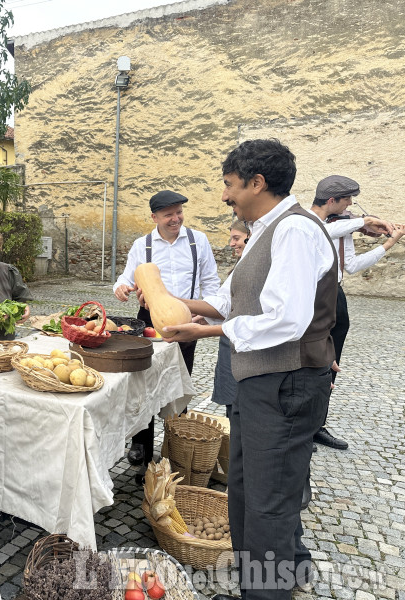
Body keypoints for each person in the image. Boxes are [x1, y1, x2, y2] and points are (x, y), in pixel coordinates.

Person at [162, 139, 337, 599]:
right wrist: (177, 306)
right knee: (245, 492)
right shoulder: (265, 229)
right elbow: (228, 301)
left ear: (257, 183)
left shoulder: (295, 230)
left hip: (288, 381)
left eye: (229, 185)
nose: (225, 196)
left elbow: (287, 319)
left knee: (267, 503)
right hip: (259, 381)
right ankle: (288, 572)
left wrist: (210, 333)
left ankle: (267, 592)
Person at [113, 190, 220, 467]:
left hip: (186, 320)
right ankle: (141, 442)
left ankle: (175, 443)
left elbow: (210, 282)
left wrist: (206, 317)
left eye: (179, 212)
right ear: (154, 217)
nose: (176, 218)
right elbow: (125, 277)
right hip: (148, 320)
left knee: (178, 381)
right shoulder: (142, 244)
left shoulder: (199, 241)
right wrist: (122, 288)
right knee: (144, 385)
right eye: (168, 214)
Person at [309, 175, 401, 450]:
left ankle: (317, 425)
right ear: (332, 200)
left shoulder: (344, 225)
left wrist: (387, 244)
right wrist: (364, 222)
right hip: (310, 294)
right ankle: (300, 424)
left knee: (331, 358)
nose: (352, 205)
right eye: (348, 199)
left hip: (334, 293)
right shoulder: (306, 220)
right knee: (308, 358)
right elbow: (322, 231)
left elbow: (350, 266)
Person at [210, 220, 249, 419]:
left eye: (237, 238)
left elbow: (225, 305)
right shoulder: (241, 264)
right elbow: (224, 302)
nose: (232, 243)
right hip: (230, 341)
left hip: (243, 342)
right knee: (231, 405)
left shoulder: (255, 267)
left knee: (240, 406)